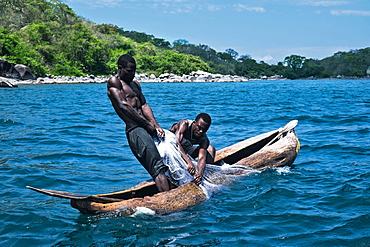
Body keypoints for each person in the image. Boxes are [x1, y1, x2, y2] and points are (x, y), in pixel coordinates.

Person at [107, 54, 170, 192]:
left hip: (147, 127)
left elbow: (144, 105)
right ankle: (168, 201)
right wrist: (146, 124)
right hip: (135, 129)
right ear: (120, 68)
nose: (133, 74)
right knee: (157, 167)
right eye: (129, 71)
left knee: (170, 155)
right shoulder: (114, 82)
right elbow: (123, 105)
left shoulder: (135, 84)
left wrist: (156, 125)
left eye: (134, 71)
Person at [169, 113, 215, 185]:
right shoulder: (184, 124)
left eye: (204, 130)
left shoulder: (204, 139)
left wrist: (199, 174)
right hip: (170, 150)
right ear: (194, 123)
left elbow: (202, 157)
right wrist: (188, 162)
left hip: (185, 150)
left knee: (210, 149)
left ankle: (208, 175)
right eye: (199, 127)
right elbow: (176, 144)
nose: (201, 131)